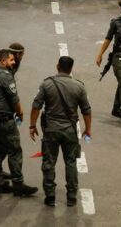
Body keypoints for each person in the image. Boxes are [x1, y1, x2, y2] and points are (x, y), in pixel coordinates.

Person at [29, 56, 92, 207]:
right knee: (70, 162)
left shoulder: (47, 84)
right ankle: (71, 196)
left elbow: (36, 106)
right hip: (70, 131)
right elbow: (86, 110)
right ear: (71, 69)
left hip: (51, 130)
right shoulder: (79, 87)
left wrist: (32, 125)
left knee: (49, 162)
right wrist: (88, 129)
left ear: (57, 66)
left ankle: (50, 196)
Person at [0, 49, 38, 197]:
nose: (14, 62)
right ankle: (18, 184)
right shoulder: (5, 77)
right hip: (5, 119)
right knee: (14, 150)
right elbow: (14, 100)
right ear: (3, 61)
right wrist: (20, 112)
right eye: (11, 60)